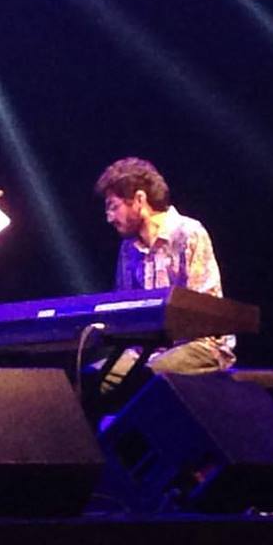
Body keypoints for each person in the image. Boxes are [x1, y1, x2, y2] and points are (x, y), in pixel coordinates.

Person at [95, 157, 235, 385]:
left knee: (143, 377)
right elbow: (126, 310)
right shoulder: (128, 248)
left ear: (139, 199)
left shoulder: (189, 233)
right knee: (92, 379)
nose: (109, 217)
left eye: (114, 206)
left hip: (200, 345)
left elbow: (205, 313)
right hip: (148, 351)